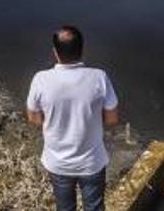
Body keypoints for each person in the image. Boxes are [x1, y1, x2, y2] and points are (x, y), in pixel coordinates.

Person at [26, 25, 119, 211]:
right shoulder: (99, 77)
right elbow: (112, 119)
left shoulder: (40, 79)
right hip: (92, 162)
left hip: (58, 163)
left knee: (65, 208)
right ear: (82, 49)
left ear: (55, 52)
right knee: (94, 207)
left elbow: (34, 119)